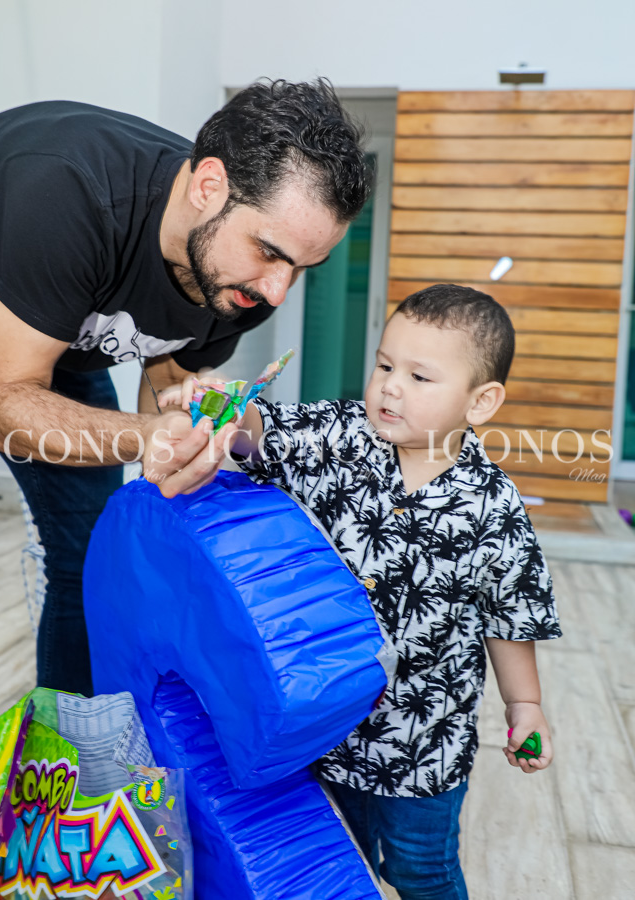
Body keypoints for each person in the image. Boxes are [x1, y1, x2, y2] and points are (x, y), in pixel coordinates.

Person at [0, 79, 372, 696]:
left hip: (54, 346)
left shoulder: (243, 284)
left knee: (90, 556)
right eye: (269, 251)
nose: (277, 292)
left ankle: (72, 748)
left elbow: (167, 374)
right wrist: (146, 437)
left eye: (300, 267)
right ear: (208, 187)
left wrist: (180, 428)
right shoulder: (71, 191)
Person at [164, 283, 562, 899]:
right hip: (322, 722)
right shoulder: (341, 436)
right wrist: (226, 407)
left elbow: (509, 616)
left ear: (480, 401)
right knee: (333, 857)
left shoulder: (494, 508)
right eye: (383, 365)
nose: (390, 387)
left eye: (419, 377)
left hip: (422, 741)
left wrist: (524, 705)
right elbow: (263, 432)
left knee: (419, 868)